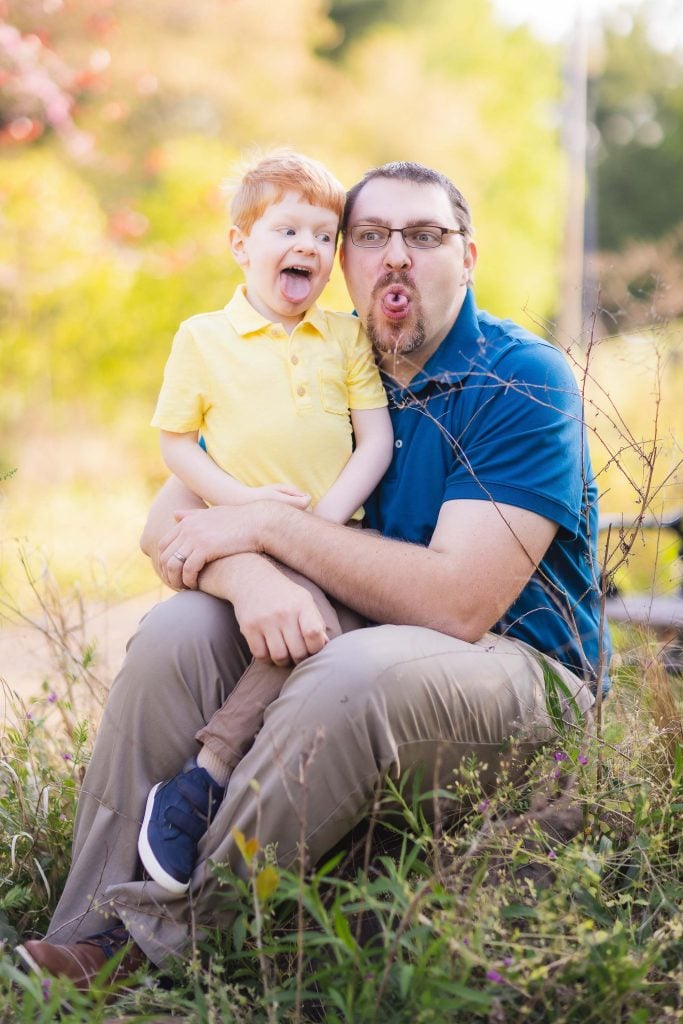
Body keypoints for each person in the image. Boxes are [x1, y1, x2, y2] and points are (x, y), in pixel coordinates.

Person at [16, 160, 609, 991]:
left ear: (467, 256)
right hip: (366, 637)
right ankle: (84, 932)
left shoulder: (519, 379)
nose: (395, 255)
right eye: (370, 236)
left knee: (351, 671)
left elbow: (457, 602)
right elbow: (167, 528)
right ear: (344, 259)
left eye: (424, 235)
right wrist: (255, 578)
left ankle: (156, 950)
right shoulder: (320, 358)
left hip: (523, 675)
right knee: (177, 632)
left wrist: (266, 525)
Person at [139, 150, 392, 895]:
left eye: (323, 235)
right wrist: (246, 508)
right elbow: (175, 442)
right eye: (289, 229)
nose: (308, 247)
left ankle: (210, 775)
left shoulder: (343, 337)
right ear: (241, 243)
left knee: (320, 624)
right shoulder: (201, 339)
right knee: (289, 621)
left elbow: (374, 439)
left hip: (339, 533)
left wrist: (321, 522)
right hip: (249, 533)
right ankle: (208, 779)